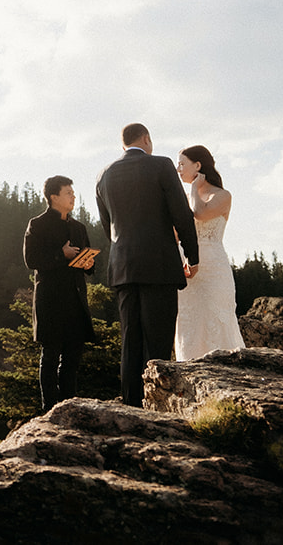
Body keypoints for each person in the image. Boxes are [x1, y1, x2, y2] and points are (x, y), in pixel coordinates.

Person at [95, 122, 199, 407]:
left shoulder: (103, 174)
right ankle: (157, 404)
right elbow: (182, 213)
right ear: (146, 139)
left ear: (124, 144)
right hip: (159, 264)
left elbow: (108, 226)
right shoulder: (161, 165)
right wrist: (192, 255)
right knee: (158, 338)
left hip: (122, 266)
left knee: (131, 338)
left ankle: (131, 403)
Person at [23, 174, 98, 411]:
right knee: (51, 355)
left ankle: (69, 406)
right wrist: (61, 254)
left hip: (75, 299)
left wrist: (88, 263)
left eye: (73, 193)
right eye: (68, 193)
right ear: (54, 197)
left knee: (72, 358)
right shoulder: (38, 224)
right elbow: (31, 260)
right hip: (51, 299)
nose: (73, 197)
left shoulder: (78, 227)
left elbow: (90, 265)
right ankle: (49, 409)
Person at [174, 145, 247, 359]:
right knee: (189, 322)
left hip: (214, 269)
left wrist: (194, 188)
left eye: (182, 164)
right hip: (187, 268)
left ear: (197, 165)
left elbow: (200, 213)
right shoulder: (185, 198)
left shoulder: (223, 196)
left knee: (216, 319)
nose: (178, 169)